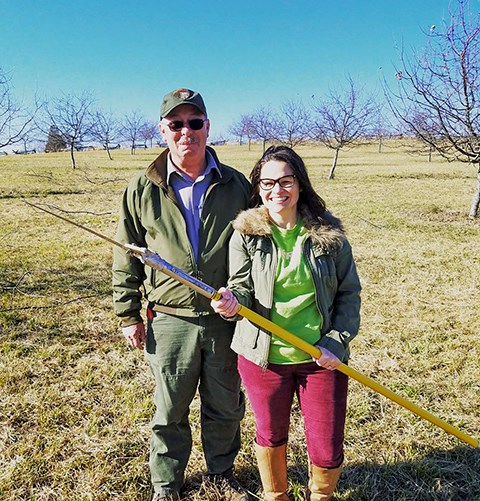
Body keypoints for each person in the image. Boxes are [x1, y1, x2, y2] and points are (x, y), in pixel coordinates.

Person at [112, 88, 251, 501]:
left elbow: (260, 247)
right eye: (176, 124)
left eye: (194, 123)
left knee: (225, 405)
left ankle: (221, 473)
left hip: (225, 318)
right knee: (170, 410)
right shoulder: (142, 187)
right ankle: (166, 484)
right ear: (162, 130)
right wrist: (128, 314)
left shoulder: (237, 185)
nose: (185, 131)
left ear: (208, 127)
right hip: (169, 318)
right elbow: (126, 253)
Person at [211, 146, 361, 501]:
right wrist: (232, 302)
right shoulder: (246, 234)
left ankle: (321, 495)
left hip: (320, 358)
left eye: (285, 181)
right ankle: (275, 494)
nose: (276, 190)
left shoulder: (329, 237)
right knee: (270, 435)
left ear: (299, 184)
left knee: (326, 448)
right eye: (267, 183)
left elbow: (348, 295)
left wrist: (336, 343)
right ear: (258, 188)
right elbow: (242, 287)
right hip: (263, 358)